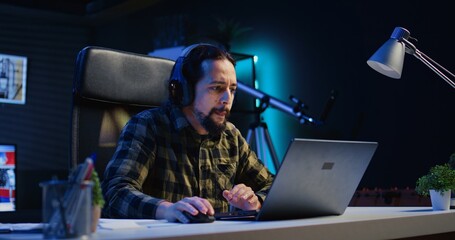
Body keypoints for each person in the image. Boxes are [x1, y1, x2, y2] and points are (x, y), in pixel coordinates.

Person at [101, 43, 274, 223]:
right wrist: (168, 210)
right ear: (185, 90)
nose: (227, 99)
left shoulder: (231, 137)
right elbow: (115, 193)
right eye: (217, 88)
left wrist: (255, 201)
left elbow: (274, 186)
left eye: (232, 90)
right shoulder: (148, 126)